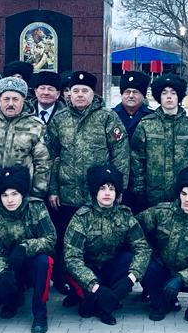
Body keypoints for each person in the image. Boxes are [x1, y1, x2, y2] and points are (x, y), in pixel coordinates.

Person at [44, 70, 129, 294]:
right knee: (67, 241)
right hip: (67, 194)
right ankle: (67, 283)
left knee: (96, 242)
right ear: (69, 94)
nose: (80, 95)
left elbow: (120, 155)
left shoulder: (107, 118)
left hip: (98, 195)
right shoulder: (60, 119)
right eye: (76, 91)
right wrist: (53, 189)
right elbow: (51, 157)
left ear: (93, 94)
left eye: (85, 91)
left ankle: (97, 285)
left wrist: (119, 187)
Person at [63, 164, 151, 325]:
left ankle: (106, 307)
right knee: (86, 309)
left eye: (111, 188)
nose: (107, 193)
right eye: (102, 188)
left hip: (111, 268)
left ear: (117, 193)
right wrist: (95, 286)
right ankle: (96, 299)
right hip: (88, 270)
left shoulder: (124, 215)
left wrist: (131, 279)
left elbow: (142, 248)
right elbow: (71, 258)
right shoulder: (82, 217)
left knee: (127, 258)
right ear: (95, 191)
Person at [136, 167, 188, 322]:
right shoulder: (163, 212)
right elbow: (134, 226)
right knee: (146, 266)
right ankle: (160, 304)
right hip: (164, 270)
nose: (186, 199)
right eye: (183, 193)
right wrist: (149, 250)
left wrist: (181, 278)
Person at [0, 165, 56, 333]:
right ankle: (11, 302)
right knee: (3, 280)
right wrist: (3, 272)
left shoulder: (36, 208)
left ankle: (40, 313)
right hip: (10, 264)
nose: (10, 200)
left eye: (14, 194)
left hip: (31, 261)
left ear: (22, 193)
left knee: (44, 261)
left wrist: (25, 247)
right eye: (5, 195)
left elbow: (50, 238)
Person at [130, 73, 188, 213]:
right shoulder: (146, 125)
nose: (169, 97)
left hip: (184, 196)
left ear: (179, 96)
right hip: (153, 196)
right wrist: (139, 190)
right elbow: (136, 159)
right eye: (164, 93)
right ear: (159, 97)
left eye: (173, 93)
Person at [0, 76, 51, 209]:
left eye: (15, 99)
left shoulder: (36, 126)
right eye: (6, 99)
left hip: (22, 200)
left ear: (23, 100)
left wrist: (36, 194)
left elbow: (43, 164)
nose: (10, 103)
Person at [113, 70, 153, 140]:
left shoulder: (152, 116)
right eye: (127, 92)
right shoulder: (111, 115)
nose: (131, 96)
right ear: (122, 94)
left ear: (143, 95)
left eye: (135, 92)